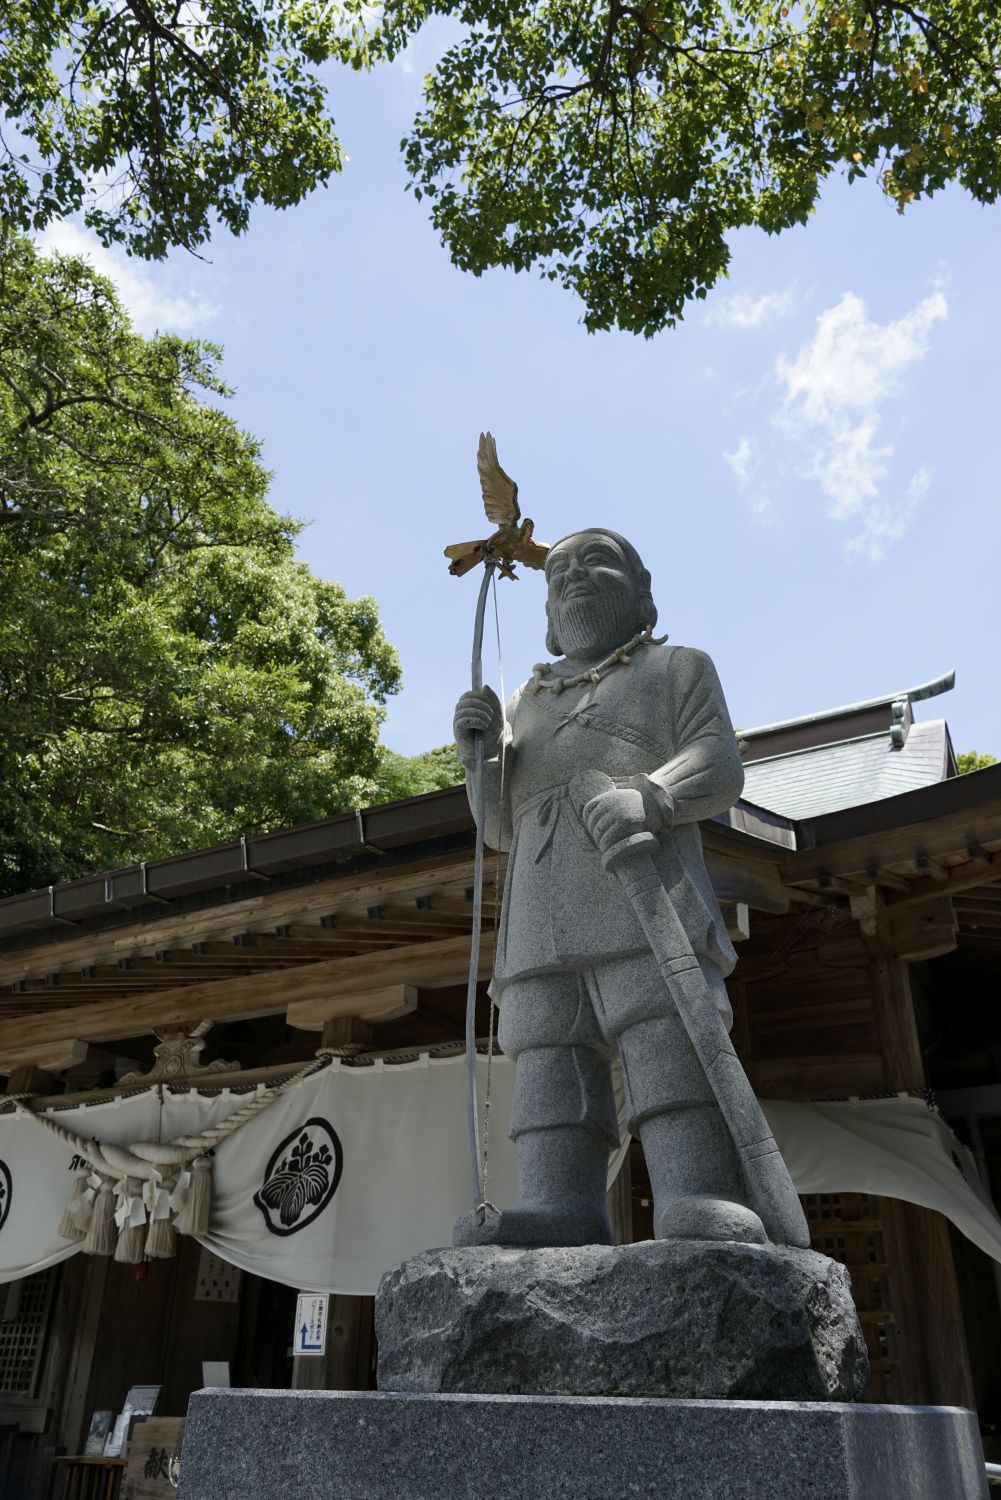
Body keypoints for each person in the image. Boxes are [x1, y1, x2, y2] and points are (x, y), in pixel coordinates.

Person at [453, 527, 767, 1247]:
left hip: (638, 883)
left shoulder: (676, 668)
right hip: (539, 904)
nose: (574, 576)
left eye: (598, 562)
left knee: (665, 1033)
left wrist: (652, 794)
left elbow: (718, 761)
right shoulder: (525, 703)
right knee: (548, 1049)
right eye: (557, 570)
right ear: (544, 611)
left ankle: (696, 1192)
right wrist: (479, 759)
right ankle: (558, 1204)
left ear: (642, 592)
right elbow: (498, 826)